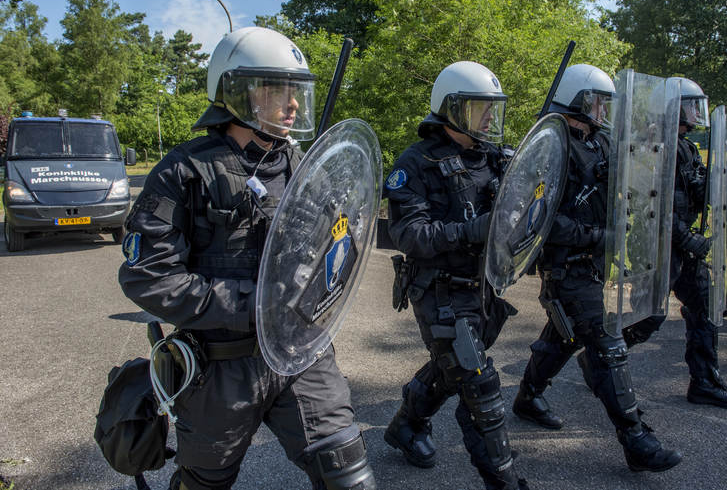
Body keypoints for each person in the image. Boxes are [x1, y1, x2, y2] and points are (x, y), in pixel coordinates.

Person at [119, 27, 376, 490]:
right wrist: (253, 302)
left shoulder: (305, 166)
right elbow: (150, 278)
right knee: (203, 483)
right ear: (236, 92)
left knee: (349, 475)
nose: (293, 103)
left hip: (301, 355)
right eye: (277, 89)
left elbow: (338, 245)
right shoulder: (184, 171)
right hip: (220, 367)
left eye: (296, 90)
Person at [511, 64, 682, 472]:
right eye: (597, 102)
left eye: (607, 103)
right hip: (565, 265)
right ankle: (637, 439)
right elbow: (540, 217)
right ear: (576, 100)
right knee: (606, 347)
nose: (603, 110)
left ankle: (528, 396)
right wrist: (598, 236)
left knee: (563, 337)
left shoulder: (602, 142)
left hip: (595, 264)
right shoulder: (549, 144)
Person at [382, 61, 529, 490]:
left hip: (483, 286)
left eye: (492, 108)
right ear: (450, 109)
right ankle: (503, 480)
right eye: (479, 107)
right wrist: (472, 230)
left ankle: (406, 426)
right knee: (478, 384)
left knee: (452, 371)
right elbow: (409, 235)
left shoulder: (496, 159)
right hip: (439, 289)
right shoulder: (416, 163)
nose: (489, 117)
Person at [603, 78, 727, 409]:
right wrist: (687, 238)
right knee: (647, 317)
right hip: (654, 244)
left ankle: (705, 383)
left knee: (705, 307)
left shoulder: (688, 148)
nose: (697, 113)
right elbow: (651, 205)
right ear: (673, 110)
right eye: (691, 106)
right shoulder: (650, 146)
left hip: (683, 246)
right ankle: (602, 361)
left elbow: (692, 194)